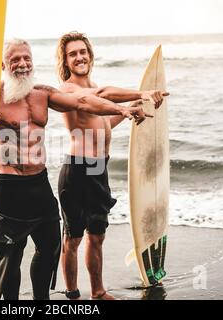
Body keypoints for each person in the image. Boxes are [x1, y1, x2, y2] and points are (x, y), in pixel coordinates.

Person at [0, 38, 151, 300]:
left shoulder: (42, 93)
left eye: (26, 58)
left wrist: (122, 110)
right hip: (8, 187)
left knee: (50, 247)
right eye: (15, 59)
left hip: (38, 183)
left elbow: (85, 104)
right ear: (2, 64)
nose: (22, 64)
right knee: (12, 254)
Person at [56, 32, 169, 300]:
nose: (79, 57)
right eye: (72, 54)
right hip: (77, 169)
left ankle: (97, 292)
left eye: (83, 51)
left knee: (97, 235)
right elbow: (102, 95)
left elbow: (102, 124)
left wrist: (131, 109)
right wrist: (140, 93)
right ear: (65, 61)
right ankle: (72, 294)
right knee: (73, 238)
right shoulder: (69, 90)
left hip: (98, 169)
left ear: (90, 55)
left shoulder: (94, 91)